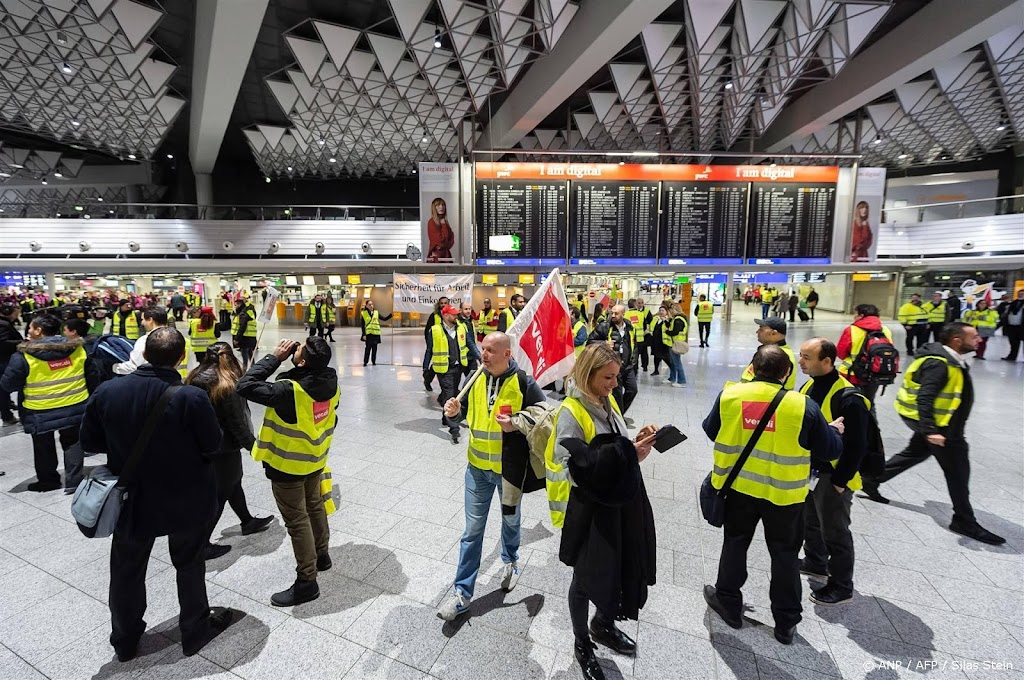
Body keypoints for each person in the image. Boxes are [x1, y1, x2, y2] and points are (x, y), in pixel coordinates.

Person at [78, 327, 236, 660]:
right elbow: (212, 445)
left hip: (132, 499)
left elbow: (90, 443)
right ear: (181, 359)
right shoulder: (191, 397)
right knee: (189, 563)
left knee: (126, 569)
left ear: (144, 354)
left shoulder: (108, 391)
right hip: (186, 498)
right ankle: (194, 631)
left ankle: (124, 639)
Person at [702, 345, 843, 645]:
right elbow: (829, 450)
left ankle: (728, 601)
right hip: (785, 496)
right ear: (786, 372)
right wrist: (834, 431)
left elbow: (711, 430)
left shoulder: (730, 395)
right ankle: (786, 621)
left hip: (739, 489)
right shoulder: (802, 405)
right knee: (785, 556)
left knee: (735, 544)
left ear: (752, 368)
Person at [546, 343, 658, 680]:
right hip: (591, 511)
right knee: (585, 579)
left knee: (616, 567)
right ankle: (582, 642)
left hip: (618, 505)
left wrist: (632, 443)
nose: (614, 383)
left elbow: (612, 446)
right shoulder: (571, 412)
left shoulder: (606, 401)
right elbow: (568, 466)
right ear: (588, 374)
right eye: (607, 377)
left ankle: (603, 624)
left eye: (616, 377)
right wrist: (624, 456)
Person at [862, 323, 1005, 545]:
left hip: (940, 425)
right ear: (957, 340)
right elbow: (925, 398)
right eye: (974, 336)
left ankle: (871, 479)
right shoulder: (938, 364)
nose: (978, 339)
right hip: (943, 430)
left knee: (913, 454)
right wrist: (930, 430)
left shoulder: (946, 358)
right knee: (958, 474)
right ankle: (964, 521)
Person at [437, 332, 546, 621]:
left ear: (507, 354)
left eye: (491, 351)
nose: (484, 355)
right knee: (472, 532)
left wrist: (516, 422)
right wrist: (454, 414)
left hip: (508, 472)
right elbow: (462, 417)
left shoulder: (523, 381)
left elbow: (545, 414)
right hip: (476, 470)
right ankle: (462, 594)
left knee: (511, 522)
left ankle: (510, 562)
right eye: (483, 349)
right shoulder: (474, 378)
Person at [237, 336, 340, 606]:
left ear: (303, 360)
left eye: (300, 349)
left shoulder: (288, 391)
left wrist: (274, 358)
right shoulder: (330, 381)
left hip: (287, 466)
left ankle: (307, 581)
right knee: (315, 506)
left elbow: (244, 386)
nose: (295, 348)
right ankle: (322, 555)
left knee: (297, 520)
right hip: (315, 459)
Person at [797, 338, 870, 605]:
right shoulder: (808, 385)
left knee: (835, 531)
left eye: (806, 357)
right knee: (811, 521)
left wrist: (841, 481)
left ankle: (841, 584)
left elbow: (859, 444)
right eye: (801, 355)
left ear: (826, 361)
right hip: (811, 471)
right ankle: (815, 562)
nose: (800, 361)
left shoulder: (850, 399)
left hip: (833, 476)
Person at [186, 343, 274, 559]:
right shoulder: (226, 383)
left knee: (233, 483)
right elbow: (237, 422)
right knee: (221, 493)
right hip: (224, 446)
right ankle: (201, 544)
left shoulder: (194, 376)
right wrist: (255, 448)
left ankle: (247, 521)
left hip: (202, 443)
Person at [0, 314, 93, 493]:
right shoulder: (78, 349)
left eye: (31, 328)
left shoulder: (24, 355)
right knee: (73, 443)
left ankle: (48, 481)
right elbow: (92, 376)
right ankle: (74, 480)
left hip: (40, 410)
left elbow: (8, 384)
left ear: (39, 330)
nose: (28, 331)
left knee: (43, 447)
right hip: (75, 405)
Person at [836, 304, 892, 404]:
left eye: (855, 314)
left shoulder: (851, 330)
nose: (854, 317)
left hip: (852, 373)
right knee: (869, 403)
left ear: (861, 315)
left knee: (850, 403)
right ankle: (870, 419)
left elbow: (841, 353)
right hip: (875, 372)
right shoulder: (885, 330)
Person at [114, 307, 191, 378]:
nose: (142, 323)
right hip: (178, 383)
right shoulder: (184, 340)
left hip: (153, 385)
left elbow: (134, 367)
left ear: (150, 320)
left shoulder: (145, 340)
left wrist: (115, 367)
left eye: (143, 319)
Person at [430, 305, 470, 444]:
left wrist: (478, 356)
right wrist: (425, 368)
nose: (456, 316)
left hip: (458, 367)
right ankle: (454, 429)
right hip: (443, 369)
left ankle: (444, 417)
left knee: (452, 391)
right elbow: (429, 349)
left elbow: (469, 343)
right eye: (453, 314)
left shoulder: (461, 327)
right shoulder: (435, 330)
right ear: (445, 315)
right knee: (449, 395)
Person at [589, 304, 638, 413]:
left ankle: (620, 413)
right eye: (612, 313)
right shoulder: (604, 326)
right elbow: (590, 342)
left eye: (616, 313)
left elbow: (634, 345)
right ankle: (618, 417)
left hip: (628, 365)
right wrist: (603, 344)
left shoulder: (629, 327)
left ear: (623, 315)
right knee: (617, 394)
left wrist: (634, 362)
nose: (613, 315)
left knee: (632, 390)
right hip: (613, 366)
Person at [741, 317, 797, 390]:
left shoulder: (778, 357)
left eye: (761, 329)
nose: (757, 332)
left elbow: (766, 389)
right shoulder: (771, 352)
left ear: (774, 333)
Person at [0, 302, 22, 426]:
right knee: (3, 388)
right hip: (3, 361)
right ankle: (7, 416)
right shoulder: (2, 325)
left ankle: (8, 405)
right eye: (16, 312)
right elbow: (3, 343)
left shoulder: (4, 323)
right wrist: (21, 342)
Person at [422, 296, 450, 392]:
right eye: (441, 303)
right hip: (435, 343)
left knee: (444, 364)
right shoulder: (434, 316)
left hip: (447, 344)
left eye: (445, 303)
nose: (443, 305)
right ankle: (427, 377)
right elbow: (427, 330)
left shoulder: (450, 315)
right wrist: (429, 343)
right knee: (436, 364)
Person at [359, 300, 391, 366]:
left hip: (375, 333)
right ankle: (365, 361)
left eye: (372, 304)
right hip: (368, 334)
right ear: (366, 306)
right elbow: (362, 325)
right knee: (368, 348)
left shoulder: (376, 312)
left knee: (375, 349)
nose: (371, 306)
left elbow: (384, 319)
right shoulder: (364, 313)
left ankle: (373, 361)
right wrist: (363, 334)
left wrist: (391, 315)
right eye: (369, 305)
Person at [662, 304, 687, 387]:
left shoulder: (678, 320)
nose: (670, 312)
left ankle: (682, 381)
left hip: (677, 344)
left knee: (677, 363)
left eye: (672, 310)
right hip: (674, 343)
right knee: (673, 362)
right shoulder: (676, 319)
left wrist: (667, 332)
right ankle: (672, 378)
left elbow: (675, 331)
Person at [232, 297, 258, 371]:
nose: (235, 306)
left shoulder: (243, 314)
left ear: (240, 304)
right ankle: (253, 366)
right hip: (251, 335)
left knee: (244, 353)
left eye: (236, 305)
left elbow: (242, 327)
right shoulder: (250, 310)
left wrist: (237, 338)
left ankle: (244, 368)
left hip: (245, 336)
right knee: (250, 352)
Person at [426, 197, 454, 263]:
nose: (441, 207)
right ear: (434, 208)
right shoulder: (432, 222)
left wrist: (445, 246)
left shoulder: (445, 222)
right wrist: (444, 225)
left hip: (446, 256)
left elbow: (452, 240)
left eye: (443, 205)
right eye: (438, 205)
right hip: (436, 257)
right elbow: (441, 241)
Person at [458, 302, 482, 377]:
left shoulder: (471, 321)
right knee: (456, 380)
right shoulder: (458, 323)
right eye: (466, 309)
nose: (468, 311)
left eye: (469, 309)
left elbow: (472, 340)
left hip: (472, 355)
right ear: (460, 310)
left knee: (473, 379)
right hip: (461, 357)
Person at [1000, 290, 1024, 361]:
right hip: (1012, 326)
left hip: (1022, 326)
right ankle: (1012, 357)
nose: (1020, 295)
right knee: (1013, 343)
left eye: (1022, 294)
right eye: (1019, 294)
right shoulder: (1013, 303)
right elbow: (1006, 313)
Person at [633, 298, 653, 371]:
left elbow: (650, 322)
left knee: (644, 352)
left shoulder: (647, 312)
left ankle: (645, 366)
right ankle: (636, 366)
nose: (640, 304)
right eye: (639, 303)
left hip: (645, 336)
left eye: (642, 303)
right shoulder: (633, 312)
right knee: (636, 352)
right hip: (636, 336)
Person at [650, 306, 670, 377]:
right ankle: (656, 370)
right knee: (656, 356)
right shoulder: (655, 319)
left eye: (663, 311)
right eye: (660, 310)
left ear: (666, 312)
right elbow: (651, 328)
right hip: (655, 341)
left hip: (663, 342)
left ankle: (672, 368)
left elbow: (669, 327)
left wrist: (665, 320)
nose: (661, 312)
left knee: (665, 357)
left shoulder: (668, 320)